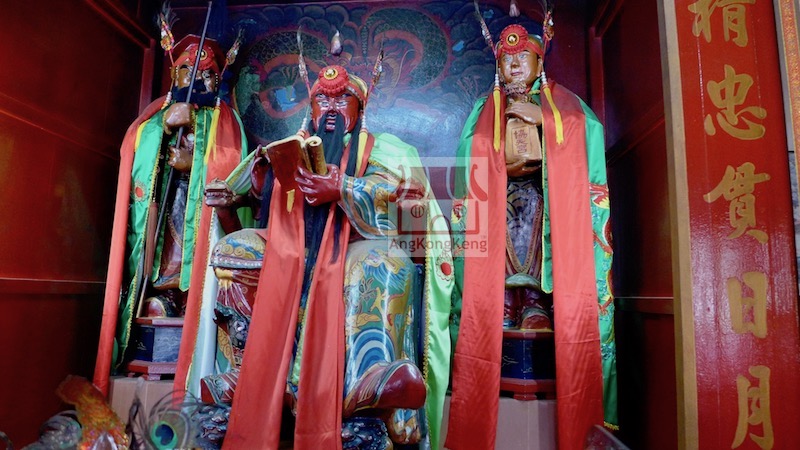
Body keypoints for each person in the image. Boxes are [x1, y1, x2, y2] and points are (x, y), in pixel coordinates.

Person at [190, 65, 453, 449]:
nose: (331, 107)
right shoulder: (286, 148)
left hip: (357, 242)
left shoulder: (385, 150)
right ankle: (248, 370)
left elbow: (403, 200)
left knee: (379, 263)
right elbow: (249, 202)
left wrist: (343, 187)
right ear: (311, 108)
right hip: (292, 244)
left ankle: (368, 375)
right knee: (236, 249)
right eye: (322, 99)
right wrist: (230, 201)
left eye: (342, 98)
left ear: (360, 108)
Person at [447, 23, 617, 450]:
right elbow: (468, 154)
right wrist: (497, 159)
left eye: (523, 57)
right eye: (507, 59)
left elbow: (587, 133)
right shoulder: (485, 108)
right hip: (498, 198)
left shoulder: (564, 103)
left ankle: (536, 302)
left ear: (540, 61)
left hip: (546, 198)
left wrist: (545, 123)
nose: (514, 65)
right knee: (499, 219)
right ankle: (507, 302)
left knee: (535, 215)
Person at [93, 34, 248, 396]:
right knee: (160, 268)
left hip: (200, 217)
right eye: (188, 71)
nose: (198, 80)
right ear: (174, 74)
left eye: (208, 74)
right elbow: (134, 154)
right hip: (163, 213)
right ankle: (160, 301)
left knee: (197, 274)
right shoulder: (154, 116)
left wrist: (195, 163)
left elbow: (232, 169)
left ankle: (189, 311)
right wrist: (164, 128)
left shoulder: (225, 119)